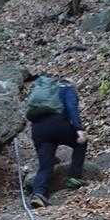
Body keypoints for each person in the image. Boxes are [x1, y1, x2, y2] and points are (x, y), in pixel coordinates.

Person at [24, 73, 87, 207]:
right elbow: (72, 108)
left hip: (38, 128)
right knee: (81, 143)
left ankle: (38, 194)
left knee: (45, 165)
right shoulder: (68, 88)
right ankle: (74, 177)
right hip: (58, 124)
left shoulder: (44, 92)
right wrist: (79, 129)